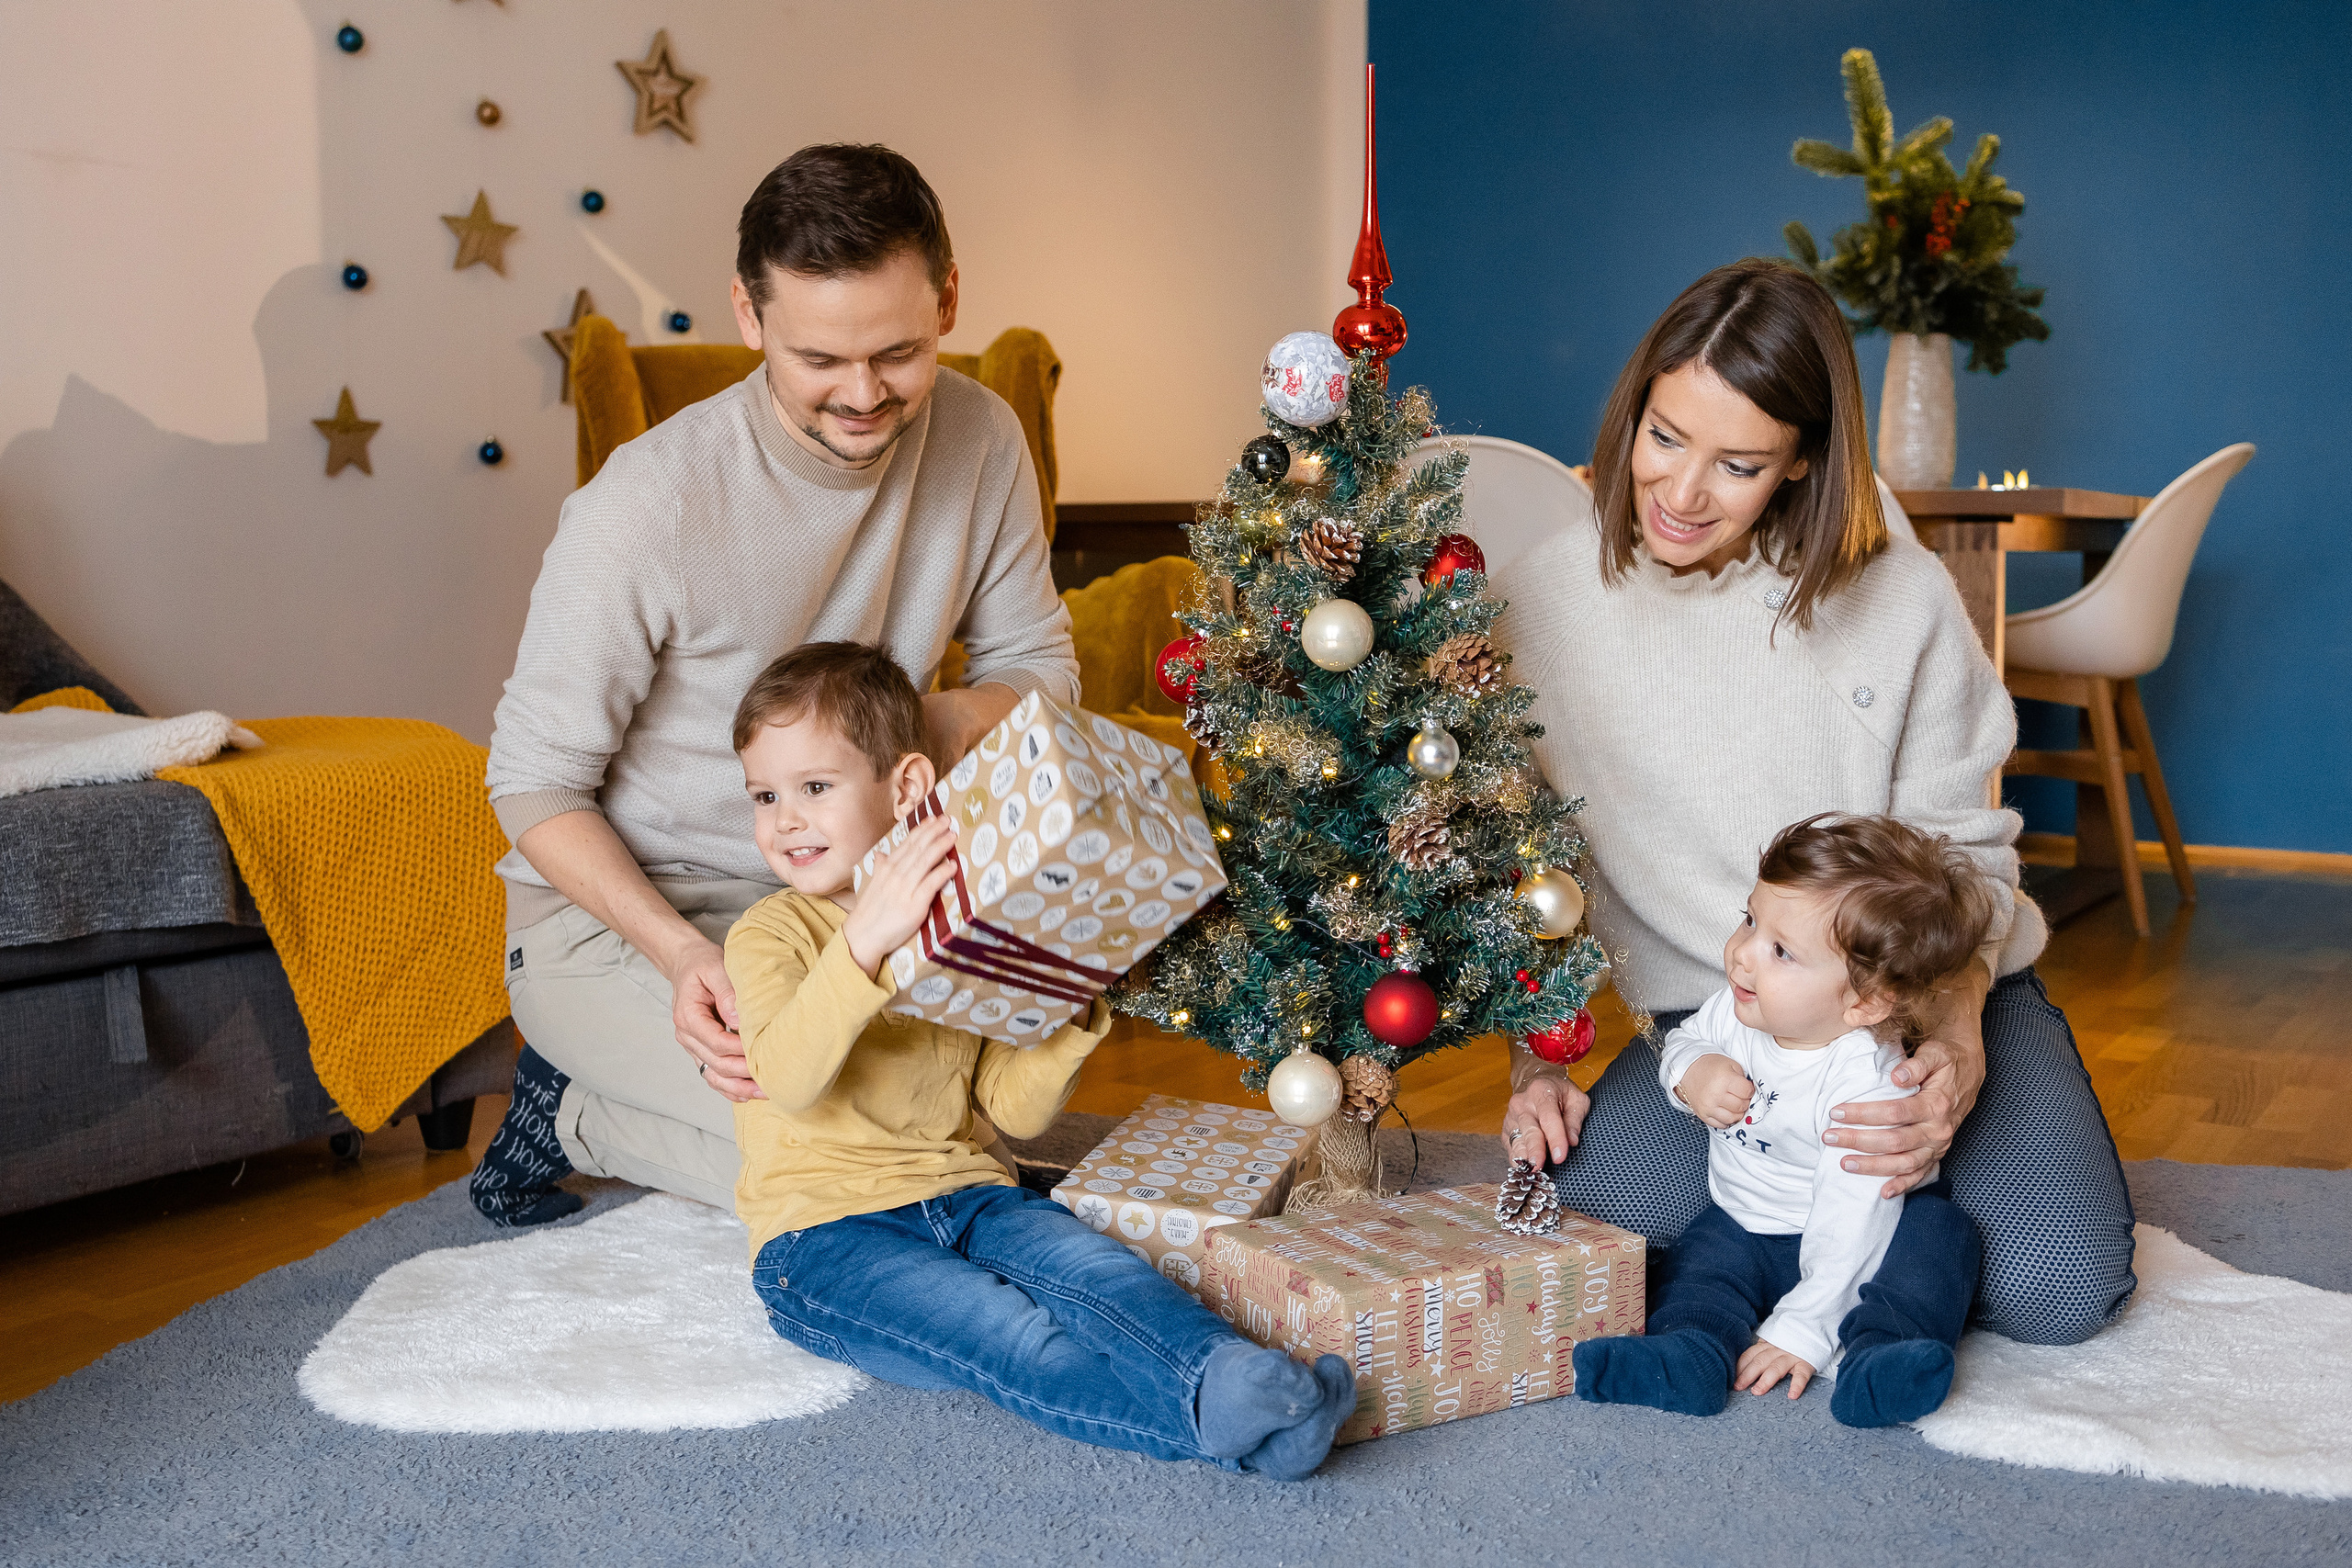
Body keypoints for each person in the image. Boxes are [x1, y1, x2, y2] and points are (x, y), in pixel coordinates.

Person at [1492, 257, 2137, 1347]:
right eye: (1662, 437)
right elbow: (1521, 870)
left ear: (1799, 465)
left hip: (1920, 991)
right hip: (1721, 1021)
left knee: (2057, 1291)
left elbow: (1963, 846)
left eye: (1737, 464)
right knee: (1602, 1231)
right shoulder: (1544, 607)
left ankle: (1879, 1236)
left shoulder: (1896, 589)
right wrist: (1532, 1059)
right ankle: (1842, 1237)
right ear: (1631, 414)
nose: (1682, 493)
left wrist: (1959, 1040)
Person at [469, 144, 1078, 1226]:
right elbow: (531, 784)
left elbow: (1038, 672)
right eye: (819, 360)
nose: (863, 395)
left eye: (898, 352)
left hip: (858, 896)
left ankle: (621, 1101)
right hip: (635, 917)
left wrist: (888, 747)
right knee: (842, 1153)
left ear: (947, 299)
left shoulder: (983, 437)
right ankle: (570, 1111)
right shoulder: (643, 507)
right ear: (748, 316)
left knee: (957, 1131)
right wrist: (680, 958)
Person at [722, 642, 1355, 1477]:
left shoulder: (961, 925)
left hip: (970, 1193)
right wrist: (865, 942)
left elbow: (1013, 1112)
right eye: (765, 795)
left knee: (1097, 1274)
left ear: (906, 788)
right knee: (1012, 1337)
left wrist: (1077, 999)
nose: (785, 819)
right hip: (822, 1237)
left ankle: (1229, 1375)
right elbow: (789, 1078)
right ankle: (1242, 1429)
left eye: (813, 787)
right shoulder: (768, 934)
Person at [1571, 814, 1988, 1427]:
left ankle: (1882, 1357)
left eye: (1781, 950)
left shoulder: (1864, 1080)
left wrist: (1806, 1328)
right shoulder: (1739, 1005)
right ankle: (1689, 1352)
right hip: (1748, 1218)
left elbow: (1852, 1225)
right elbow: (1686, 1040)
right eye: (1749, 919)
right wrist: (1693, 1073)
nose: (1741, 955)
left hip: (1871, 1227)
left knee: (1938, 1245)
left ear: (1864, 1002)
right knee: (1696, 1266)